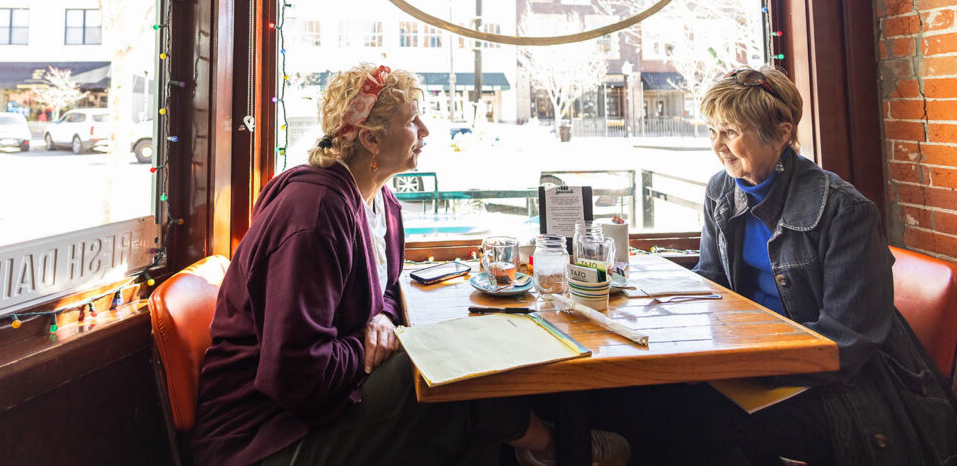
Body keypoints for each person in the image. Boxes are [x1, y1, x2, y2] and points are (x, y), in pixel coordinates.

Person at [191, 63, 629, 466]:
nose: (425, 130)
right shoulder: (314, 212)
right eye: (412, 120)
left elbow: (384, 288)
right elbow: (297, 376)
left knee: (456, 370)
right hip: (263, 439)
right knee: (448, 365)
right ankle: (556, 449)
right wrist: (368, 347)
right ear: (371, 138)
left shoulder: (381, 202)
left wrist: (383, 316)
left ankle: (545, 449)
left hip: (320, 408)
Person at [665, 66, 957, 465]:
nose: (717, 146)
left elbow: (846, 341)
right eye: (712, 131)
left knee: (701, 421)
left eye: (729, 131)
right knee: (657, 398)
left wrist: (745, 366)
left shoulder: (844, 210)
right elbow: (712, 279)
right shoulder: (720, 190)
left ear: (781, 134)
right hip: (759, 362)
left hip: (845, 386)